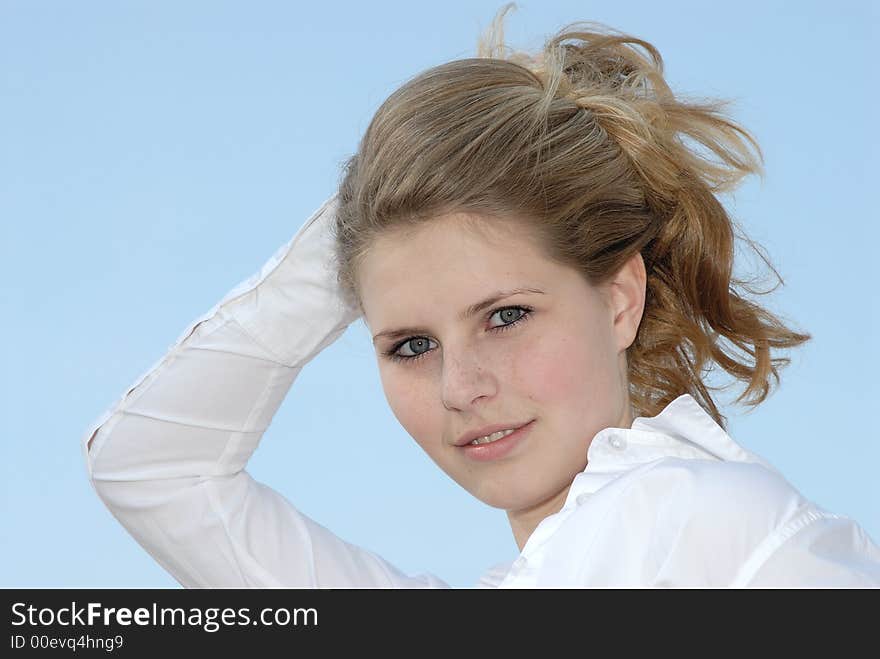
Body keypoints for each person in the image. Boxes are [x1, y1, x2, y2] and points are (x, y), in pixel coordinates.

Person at [81, 4, 880, 588]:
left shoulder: (715, 522)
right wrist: (364, 226)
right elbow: (149, 467)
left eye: (506, 315)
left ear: (619, 299)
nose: (462, 388)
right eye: (411, 344)